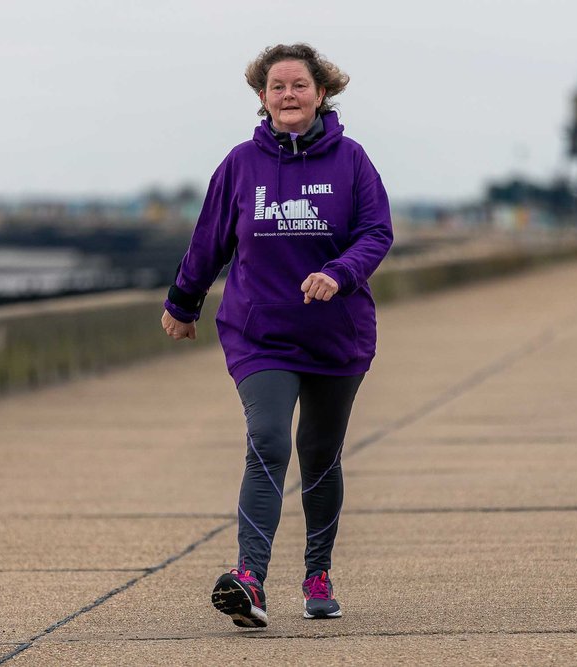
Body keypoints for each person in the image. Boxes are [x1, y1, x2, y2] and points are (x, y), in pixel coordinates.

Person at [160, 43, 393, 629]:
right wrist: (182, 303)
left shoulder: (352, 161)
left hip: (336, 335)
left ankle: (317, 573)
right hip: (259, 332)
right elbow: (210, 239)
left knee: (319, 452)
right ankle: (249, 579)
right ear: (262, 98)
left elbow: (376, 232)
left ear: (321, 92)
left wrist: (338, 274)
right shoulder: (241, 163)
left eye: (299, 85)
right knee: (267, 440)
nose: (288, 95)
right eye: (276, 87)